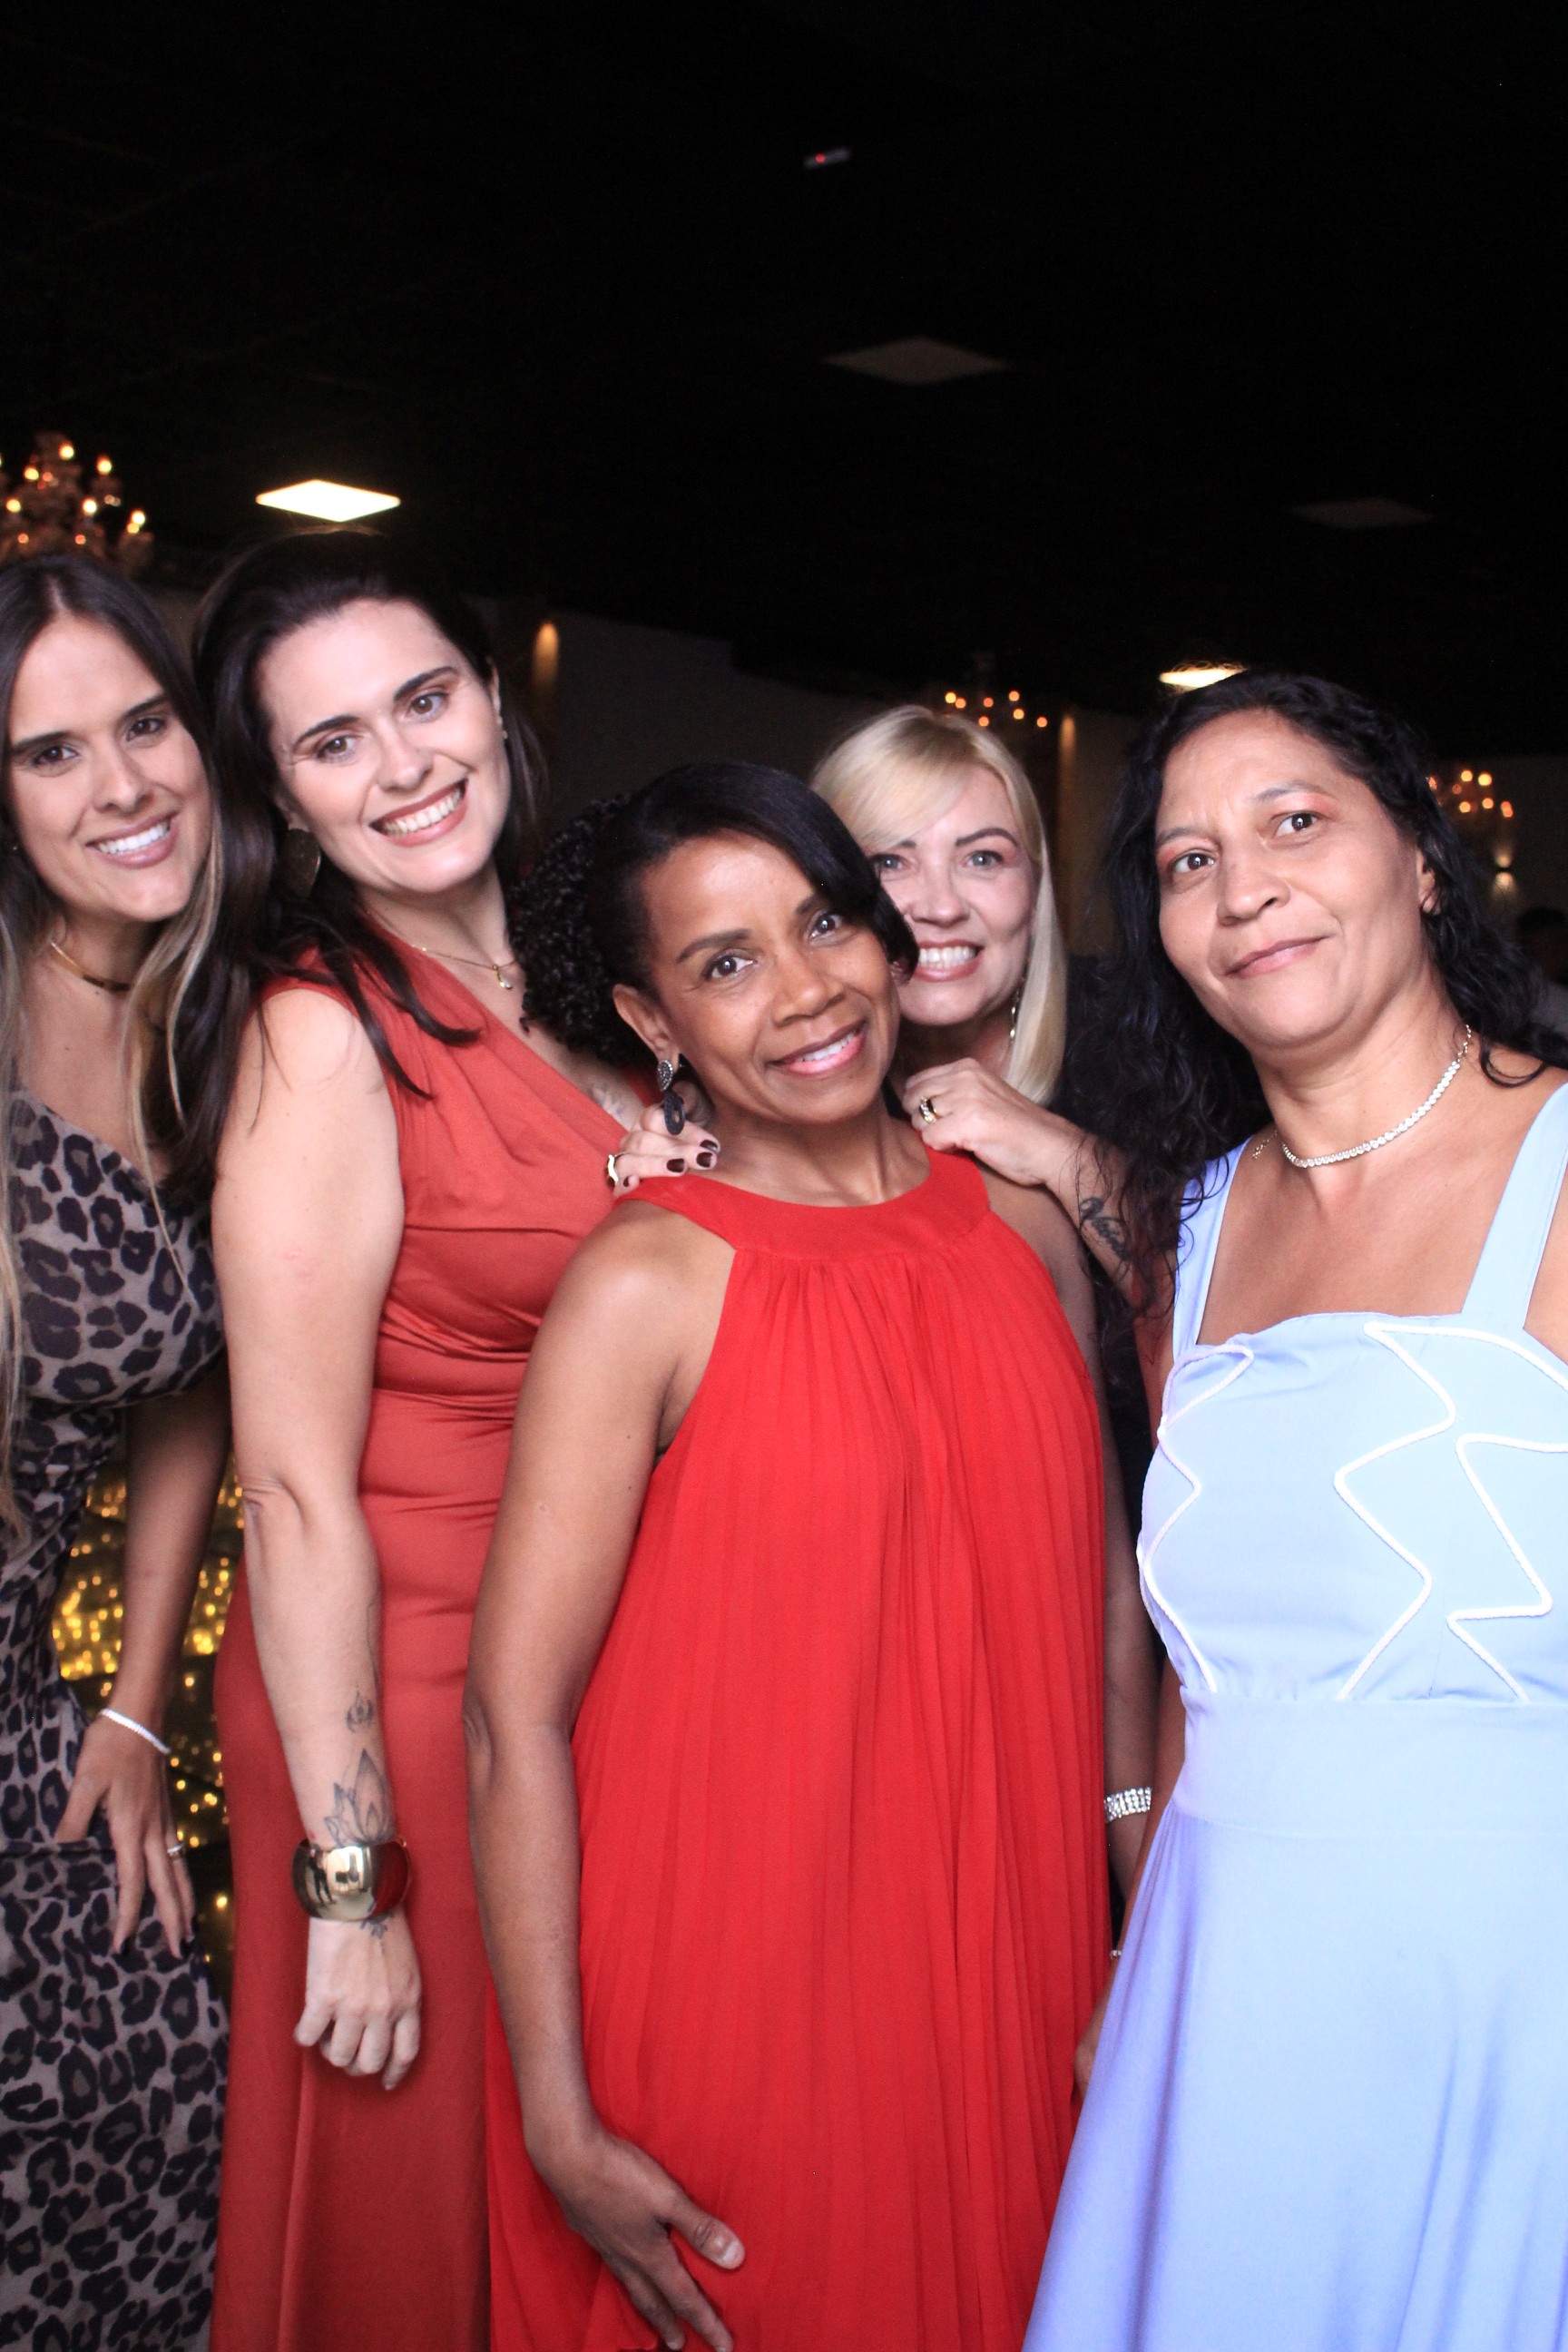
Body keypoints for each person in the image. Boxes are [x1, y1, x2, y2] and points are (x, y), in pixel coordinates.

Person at [466, 762, 1154, 2352]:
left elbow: (1108, 1600)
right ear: (651, 1021)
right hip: (739, 1988)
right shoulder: (646, 1281)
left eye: (823, 923)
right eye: (727, 963)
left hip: (1012, 1965)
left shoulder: (1021, 1230)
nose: (805, 991)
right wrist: (560, 2116)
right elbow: (513, 1715)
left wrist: (1136, 1920)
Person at [1022, 671, 1568, 2352]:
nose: (1243, 886)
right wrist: (1144, 1964)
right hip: (1225, 1986)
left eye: (1295, 823)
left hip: (1511, 1985)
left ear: (1423, 858)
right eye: (1188, 861)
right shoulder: (1188, 1233)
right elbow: (1207, 1670)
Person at [191, 532, 687, 2352]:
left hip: (575, 1668)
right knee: (410, 2217)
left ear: (491, 698)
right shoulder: (321, 1036)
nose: (403, 765)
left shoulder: (588, 977)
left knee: (572, 2180)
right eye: (334, 743)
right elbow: (292, 1488)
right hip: (396, 1689)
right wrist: (353, 1886)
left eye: (422, 701)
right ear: (283, 800)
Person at [0, 554, 229, 2351]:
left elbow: (182, 1389)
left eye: (145, 724)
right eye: (51, 753)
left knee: (158, 2126)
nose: (122, 785)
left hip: (37, 1713)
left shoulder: (204, 1025)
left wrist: (138, 1713)